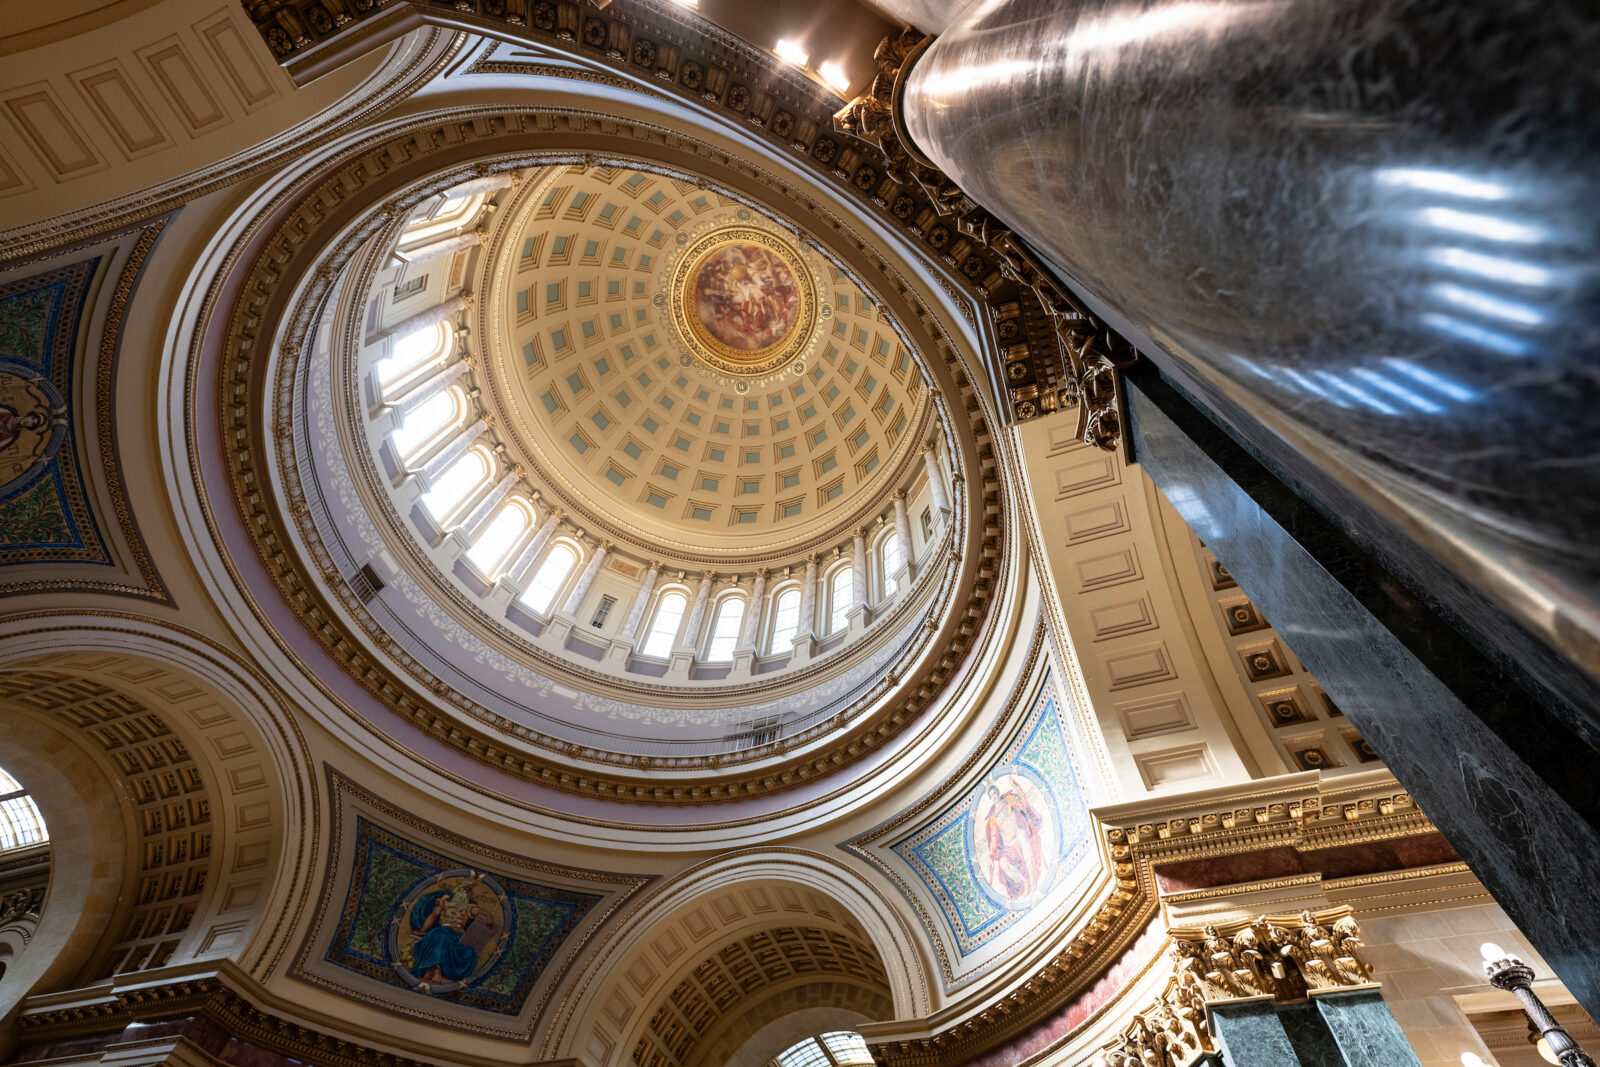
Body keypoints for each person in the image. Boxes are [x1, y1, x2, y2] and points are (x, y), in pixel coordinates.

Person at [982, 779, 1047, 900]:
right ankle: (1024, 883)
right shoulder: (993, 819)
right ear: (991, 799)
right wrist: (990, 857)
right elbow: (995, 839)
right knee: (1003, 864)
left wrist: (1019, 789)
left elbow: (1023, 804)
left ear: (998, 793)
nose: (995, 797)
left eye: (995, 793)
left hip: (1018, 836)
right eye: (992, 796)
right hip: (1008, 846)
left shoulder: (1009, 801)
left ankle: (1032, 880)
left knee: (1021, 834)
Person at [407, 885, 481, 986]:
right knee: (442, 938)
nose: (463, 894)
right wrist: (422, 930)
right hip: (443, 931)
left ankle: (444, 975)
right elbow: (433, 916)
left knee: (469, 952)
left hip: (459, 937)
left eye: (467, 891)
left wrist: (483, 915)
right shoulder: (444, 903)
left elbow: (478, 913)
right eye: (462, 890)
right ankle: (435, 971)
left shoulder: (469, 908)